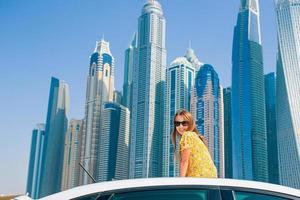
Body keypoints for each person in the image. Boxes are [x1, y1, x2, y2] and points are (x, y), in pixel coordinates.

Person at [171, 109, 217, 178]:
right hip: (210, 178)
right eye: (177, 123)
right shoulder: (196, 137)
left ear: (190, 123)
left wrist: (180, 181)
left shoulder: (187, 136)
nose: (180, 126)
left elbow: (184, 161)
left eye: (184, 123)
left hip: (198, 179)